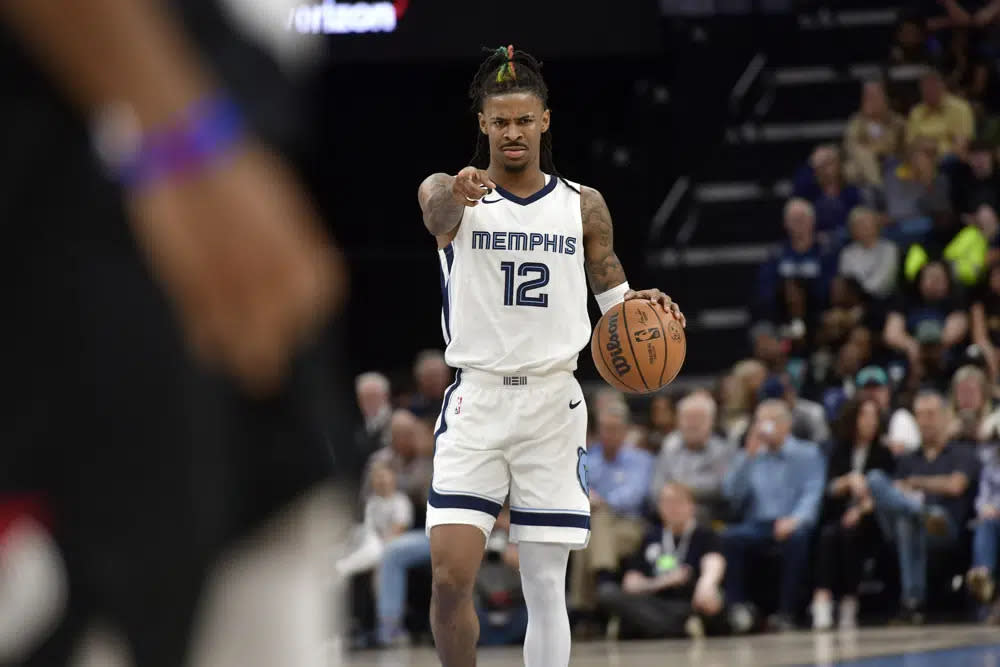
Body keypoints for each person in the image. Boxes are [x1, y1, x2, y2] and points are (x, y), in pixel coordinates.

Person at [0, 1, 348, 665]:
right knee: (87, 596)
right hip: (124, 109)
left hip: (211, 104)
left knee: (266, 576)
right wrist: (182, 141)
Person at [414, 45, 685, 667]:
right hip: (477, 401)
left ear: (544, 121)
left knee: (544, 583)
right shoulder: (449, 191)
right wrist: (457, 189)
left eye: (523, 119)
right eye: (500, 121)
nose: (512, 131)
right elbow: (437, 213)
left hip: (552, 404)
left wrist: (642, 311)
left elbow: (614, 294)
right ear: (483, 125)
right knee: (450, 575)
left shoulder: (583, 204)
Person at [861, 390, 981, 624]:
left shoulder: (962, 451)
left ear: (947, 416)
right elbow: (893, 489)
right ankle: (919, 513)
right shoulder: (908, 459)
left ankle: (912, 603)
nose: (925, 421)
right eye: (920, 415)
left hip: (944, 527)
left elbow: (956, 485)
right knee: (875, 479)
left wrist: (915, 483)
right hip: (908, 523)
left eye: (931, 414)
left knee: (915, 520)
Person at [722, 400, 826, 633]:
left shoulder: (807, 453)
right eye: (759, 421)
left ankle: (787, 612)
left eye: (769, 421)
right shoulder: (751, 455)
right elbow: (731, 494)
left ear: (785, 425)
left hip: (792, 521)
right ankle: (739, 609)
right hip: (758, 524)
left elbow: (812, 493)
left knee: (797, 539)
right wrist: (746, 459)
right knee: (729, 538)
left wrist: (795, 520)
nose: (763, 427)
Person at [596, 483, 726, 639]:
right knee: (608, 593)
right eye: (666, 502)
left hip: (687, 603)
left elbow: (713, 562)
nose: (672, 508)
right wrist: (663, 581)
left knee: (713, 599)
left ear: (691, 506)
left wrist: (707, 584)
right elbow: (630, 583)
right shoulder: (652, 537)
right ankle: (679, 628)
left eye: (677, 502)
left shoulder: (704, 535)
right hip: (653, 602)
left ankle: (651, 627)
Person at [810, 398, 895, 631]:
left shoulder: (883, 453)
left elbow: (888, 492)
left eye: (873, 417)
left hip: (873, 518)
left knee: (851, 533)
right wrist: (847, 481)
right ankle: (822, 598)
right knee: (828, 535)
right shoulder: (839, 450)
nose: (868, 422)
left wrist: (860, 509)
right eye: (863, 416)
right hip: (838, 514)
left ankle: (850, 600)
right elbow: (828, 488)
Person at [568, 403, 654, 622]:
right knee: (592, 529)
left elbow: (634, 496)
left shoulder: (640, 459)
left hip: (631, 526)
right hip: (599, 527)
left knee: (591, 528)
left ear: (625, 431)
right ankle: (604, 585)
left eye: (615, 429)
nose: (610, 434)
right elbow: (574, 488)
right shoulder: (588, 459)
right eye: (605, 428)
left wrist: (601, 501)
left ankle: (584, 609)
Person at [650, 392, 734, 523]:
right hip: (667, 509)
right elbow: (656, 486)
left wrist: (687, 492)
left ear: (711, 422)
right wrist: (671, 499)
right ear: (678, 421)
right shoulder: (669, 446)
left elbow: (722, 488)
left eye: (698, 418)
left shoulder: (722, 450)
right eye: (687, 418)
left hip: (705, 511)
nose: (692, 424)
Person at [335, 462, 413, 578]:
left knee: (377, 552)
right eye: (376, 477)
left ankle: (342, 568)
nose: (380, 481)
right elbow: (368, 528)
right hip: (370, 540)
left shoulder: (401, 501)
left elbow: (398, 531)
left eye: (383, 477)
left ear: (393, 478)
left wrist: (381, 545)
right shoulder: (372, 502)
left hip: (390, 544)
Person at [844, 80, 906, 187]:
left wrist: (871, 148)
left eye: (874, 96)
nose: (871, 101)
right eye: (867, 97)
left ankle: (877, 188)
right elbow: (850, 145)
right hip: (864, 164)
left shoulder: (895, 120)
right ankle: (877, 187)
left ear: (884, 98)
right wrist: (866, 120)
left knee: (864, 155)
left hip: (892, 161)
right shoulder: (857, 121)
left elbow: (890, 146)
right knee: (851, 169)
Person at [906, 68, 975, 159]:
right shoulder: (916, 112)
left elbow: (961, 146)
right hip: (920, 159)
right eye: (925, 88)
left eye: (933, 87)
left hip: (950, 160)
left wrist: (935, 148)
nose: (929, 91)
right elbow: (910, 144)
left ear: (942, 86)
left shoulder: (960, 108)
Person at [966, 447, 1000, 622]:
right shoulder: (991, 464)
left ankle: (984, 577)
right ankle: (984, 576)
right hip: (992, 520)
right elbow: (981, 499)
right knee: (985, 525)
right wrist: (986, 510)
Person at [838, 206, 899, 300]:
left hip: (884, 299)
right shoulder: (847, 253)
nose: (864, 226)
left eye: (867, 222)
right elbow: (849, 282)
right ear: (853, 229)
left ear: (876, 225)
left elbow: (884, 281)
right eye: (859, 223)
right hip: (855, 300)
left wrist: (863, 291)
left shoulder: (889, 249)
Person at [354, 372, 393, 464]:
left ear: (385, 396)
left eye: (373, 396)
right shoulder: (359, 430)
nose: (369, 402)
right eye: (364, 398)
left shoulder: (397, 420)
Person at [408, 350, 452, 423]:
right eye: (432, 376)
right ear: (419, 377)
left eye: (441, 375)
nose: (437, 380)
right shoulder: (411, 407)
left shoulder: (456, 401)